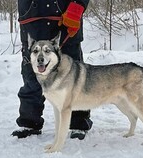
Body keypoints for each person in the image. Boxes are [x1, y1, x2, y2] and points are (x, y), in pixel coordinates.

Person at [12, 0, 93, 140]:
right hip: (31, 19)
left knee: (74, 77)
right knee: (32, 77)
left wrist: (78, 6)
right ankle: (29, 122)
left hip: (66, 16)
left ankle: (78, 123)